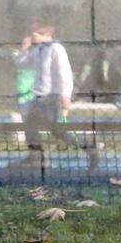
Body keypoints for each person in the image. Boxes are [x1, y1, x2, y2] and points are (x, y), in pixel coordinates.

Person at [10, 23, 82, 165]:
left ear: (47, 34)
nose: (33, 36)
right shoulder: (36, 50)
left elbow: (65, 73)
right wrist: (23, 50)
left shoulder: (56, 49)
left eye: (37, 33)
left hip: (52, 97)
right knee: (30, 125)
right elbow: (22, 64)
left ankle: (89, 147)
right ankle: (36, 157)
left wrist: (65, 94)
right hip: (38, 96)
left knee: (55, 130)